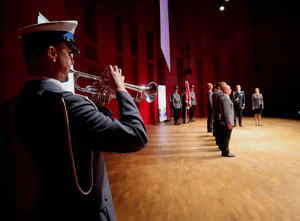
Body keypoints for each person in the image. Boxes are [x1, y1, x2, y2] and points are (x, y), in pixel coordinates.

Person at [14, 20, 148, 221]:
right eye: (69, 52)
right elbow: (136, 136)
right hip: (87, 212)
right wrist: (121, 89)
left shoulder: (18, 103)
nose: (73, 60)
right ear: (51, 53)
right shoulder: (71, 105)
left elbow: (79, 137)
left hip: (48, 206)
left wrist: (98, 107)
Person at [219, 84, 235, 157]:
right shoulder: (225, 98)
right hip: (226, 122)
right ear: (225, 90)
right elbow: (227, 112)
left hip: (225, 121)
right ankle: (226, 152)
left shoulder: (225, 97)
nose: (231, 90)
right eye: (229, 89)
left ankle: (224, 150)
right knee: (226, 137)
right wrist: (229, 123)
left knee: (225, 136)